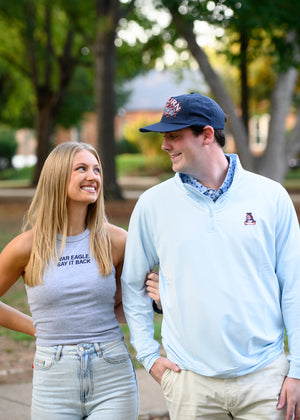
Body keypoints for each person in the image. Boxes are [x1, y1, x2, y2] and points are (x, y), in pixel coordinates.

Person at [121, 93, 300, 420]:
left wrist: (298, 369)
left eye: (173, 136)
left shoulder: (270, 197)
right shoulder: (152, 205)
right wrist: (148, 355)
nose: (165, 145)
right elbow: (133, 284)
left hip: (265, 380)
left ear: (206, 135)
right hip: (190, 384)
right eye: (164, 137)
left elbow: (295, 287)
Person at [0, 141, 159, 420]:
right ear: (57, 177)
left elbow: (131, 303)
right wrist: (37, 328)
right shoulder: (26, 247)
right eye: (81, 168)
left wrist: (158, 298)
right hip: (54, 378)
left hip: (112, 372)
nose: (93, 176)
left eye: (97, 169)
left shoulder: (117, 240)